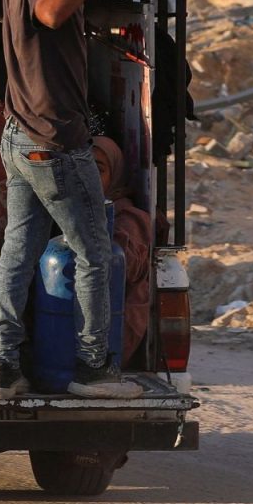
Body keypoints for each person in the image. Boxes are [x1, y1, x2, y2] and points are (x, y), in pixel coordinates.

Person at [0, 0, 142, 400]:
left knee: (18, 253)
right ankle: (94, 369)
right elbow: (51, 13)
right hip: (54, 144)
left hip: (18, 138)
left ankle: (5, 369)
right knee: (95, 253)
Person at [91, 135, 153, 367]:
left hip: (115, 333)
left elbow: (120, 269)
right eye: (82, 168)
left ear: (115, 175)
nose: (88, 177)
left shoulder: (130, 219)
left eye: (98, 169)